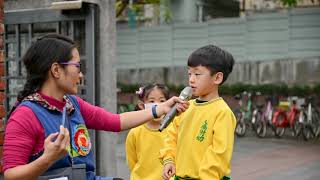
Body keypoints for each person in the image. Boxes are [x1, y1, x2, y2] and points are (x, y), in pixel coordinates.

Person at [2, 33, 188, 180]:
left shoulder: (72, 104)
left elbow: (116, 121)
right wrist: (46, 159)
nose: (81, 74)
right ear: (56, 70)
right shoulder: (25, 115)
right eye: (77, 66)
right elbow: (11, 175)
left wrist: (160, 109)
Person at [160, 45, 236, 180]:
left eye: (197, 74)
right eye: (189, 73)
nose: (191, 79)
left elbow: (219, 154)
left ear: (217, 78)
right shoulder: (184, 107)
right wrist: (169, 160)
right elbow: (171, 136)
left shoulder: (222, 112)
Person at [126, 83, 171, 180]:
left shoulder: (173, 129)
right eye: (152, 101)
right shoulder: (135, 131)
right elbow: (132, 162)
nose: (157, 104)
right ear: (142, 105)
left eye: (162, 100)